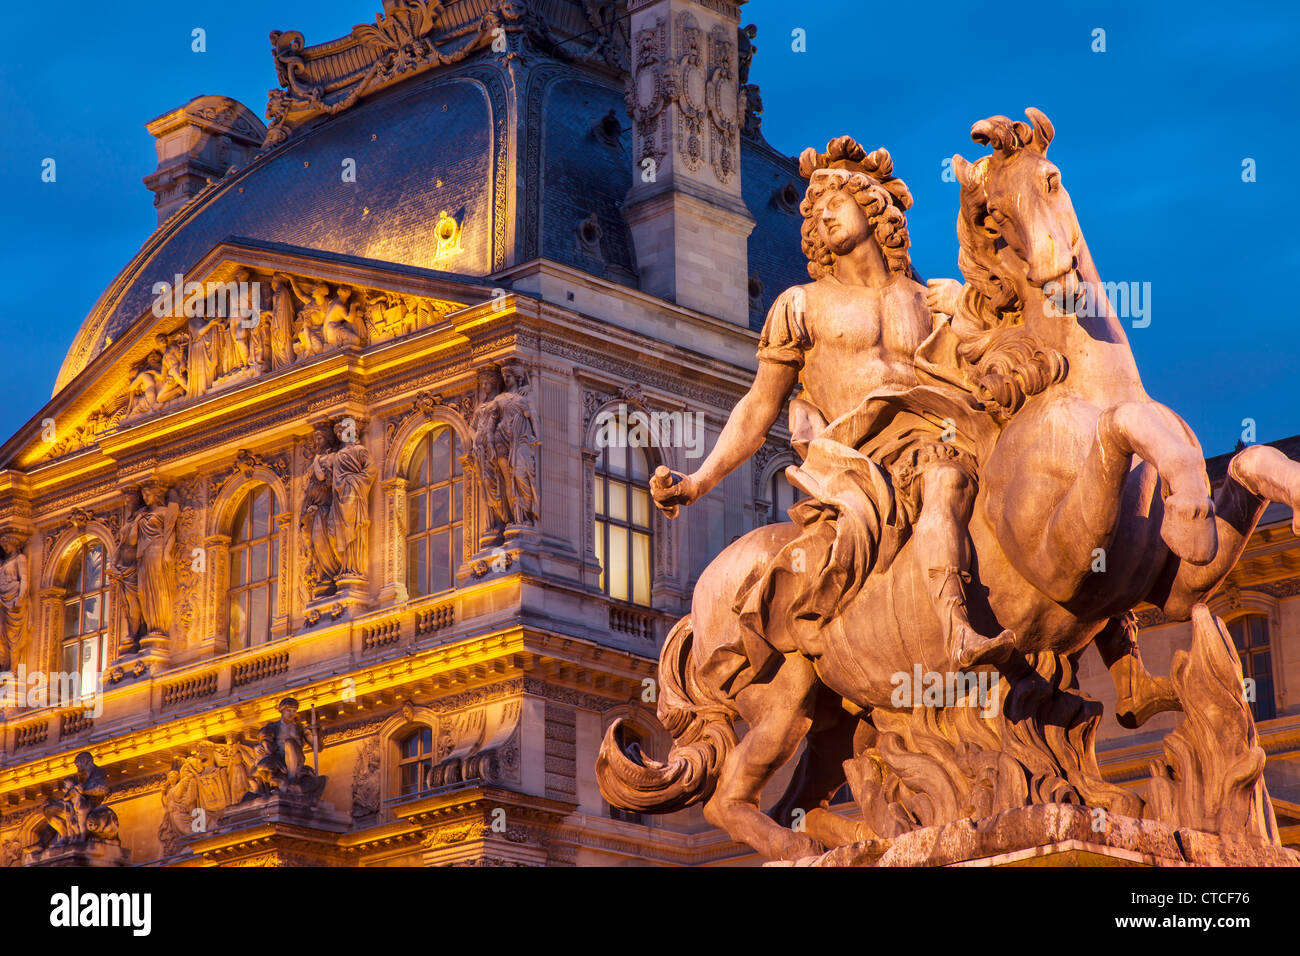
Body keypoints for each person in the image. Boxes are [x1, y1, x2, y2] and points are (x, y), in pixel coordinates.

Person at [651, 137, 1013, 670]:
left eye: (834, 206)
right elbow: (759, 406)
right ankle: (955, 630)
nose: (823, 221)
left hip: (939, 434)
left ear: (872, 207)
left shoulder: (929, 300)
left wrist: (971, 312)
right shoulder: (801, 305)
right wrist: (697, 481)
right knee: (946, 479)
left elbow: (989, 379)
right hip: (857, 459)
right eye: (815, 217)